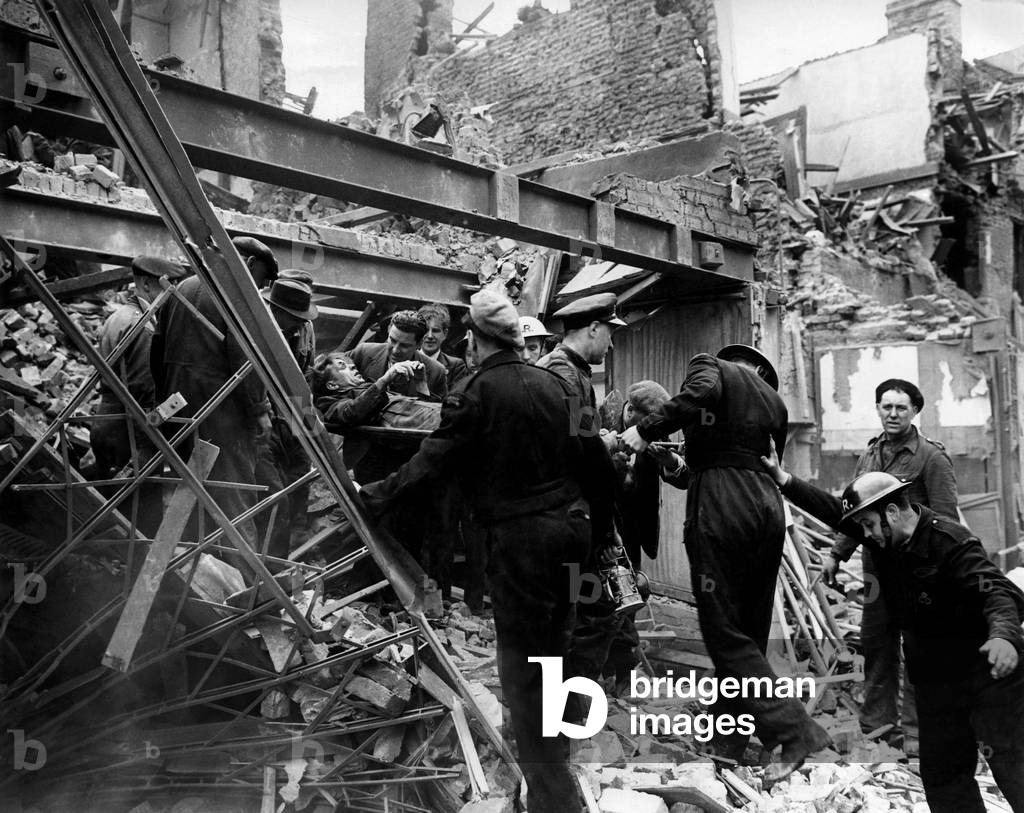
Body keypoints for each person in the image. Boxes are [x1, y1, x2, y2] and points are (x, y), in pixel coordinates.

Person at [360, 291, 616, 813]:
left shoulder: (475, 392)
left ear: (475, 341)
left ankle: (553, 797)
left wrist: (375, 496)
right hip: (571, 535)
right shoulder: (559, 386)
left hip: (521, 541)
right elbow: (599, 470)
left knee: (523, 666)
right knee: (555, 648)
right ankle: (556, 758)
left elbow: (434, 460)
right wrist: (598, 543)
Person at [760, 455, 1024, 813]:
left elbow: (997, 591)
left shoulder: (950, 541)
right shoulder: (883, 536)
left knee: (1013, 767)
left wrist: (1004, 637)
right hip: (936, 680)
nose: (864, 535)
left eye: (869, 525)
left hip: (988, 673)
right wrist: (785, 479)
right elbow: (832, 509)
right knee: (943, 776)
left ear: (894, 512)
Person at [621, 344, 830, 781]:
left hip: (722, 505)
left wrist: (645, 428)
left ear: (736, 363)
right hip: (765, 508)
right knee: (748, 629)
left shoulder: (710, 367)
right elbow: (728, 459)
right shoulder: (774, 402)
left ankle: (795, 729)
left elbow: (699, 397)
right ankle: (730, 738)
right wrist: (677, 463)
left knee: (721, 628)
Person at [819, 378, 957, 752]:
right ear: (878, 408)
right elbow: (854, 515)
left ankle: (916, 735)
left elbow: (945, 520)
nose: (892, 414)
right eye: (886, 406)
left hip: (918, 572)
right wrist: (836, 554)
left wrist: (942, 571)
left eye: (901, 407)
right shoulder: (869, 457)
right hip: (877, 570)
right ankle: (878, 727)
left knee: (918, 650)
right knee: (876, 644)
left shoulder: (931, 457)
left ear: (915, 412)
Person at [151, 255, 273, 573]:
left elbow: (156, 349)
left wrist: (165, 399)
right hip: (223, 415)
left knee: (186, 496)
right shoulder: (235, 295)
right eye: (261, 279)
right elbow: (246, 361)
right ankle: (246, 589)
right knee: (234, 499)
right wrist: (258, 410)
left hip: (179, 410)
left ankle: (191, 579)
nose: (258, 288)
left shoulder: (181, 288)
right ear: (247, 261)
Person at [538, 293, 627, 687]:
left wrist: (598, 440)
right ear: (593, 328)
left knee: (565, 612)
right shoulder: (566, 375)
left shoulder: (560, 369)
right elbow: (584, 455)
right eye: (609, 334)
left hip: (555, 514)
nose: (610, 345)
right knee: (597, 607)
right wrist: (608, 446)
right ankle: (571, 705)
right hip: (568, 517)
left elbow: (575, 437)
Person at [600, 380, 688, 689]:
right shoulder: (601, 425)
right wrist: (612, 463)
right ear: (630, 411)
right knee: (600, 601)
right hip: (602, 529)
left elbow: (682, 479)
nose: (654, 428)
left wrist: (669, 461)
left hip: (634, 532)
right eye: (648, 422)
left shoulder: (656, 433)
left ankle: (622, 676)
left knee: (630, 597)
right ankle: (602, 672)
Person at [90, 256, 187, 535]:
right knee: (141, 516)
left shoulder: (116, 317)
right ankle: (136, 573)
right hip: (130, 428)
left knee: (114, 507)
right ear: (145, 283)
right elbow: (145, 387)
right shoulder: (144, 325)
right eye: (168, 287)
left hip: (106, 420)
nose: (174, 295)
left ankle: (110, 567)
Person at [254, 278, 319, 557]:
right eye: (295, 319)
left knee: (297, 493)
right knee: (274, 500)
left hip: (292, 424)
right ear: (278, 311)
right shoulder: (256, 331)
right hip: (263, 426)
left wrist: (307, 427)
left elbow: (305, 378)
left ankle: (290, 565)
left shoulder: (302, 332)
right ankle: (270, 573)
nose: (300, 324)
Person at [347, 310, 448, 403]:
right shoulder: (364, 351)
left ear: (419, 344)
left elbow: (438, 414)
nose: (395, 350)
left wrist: (421, 387)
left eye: (404, 345)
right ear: (388, 331)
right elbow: (334, 359)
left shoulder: (436, 372)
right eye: (392, 340)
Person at [417, 302, 469, 389]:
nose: (430, 336)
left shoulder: (456, 366)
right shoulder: (407, 359)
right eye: (425, 330)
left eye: (435, 330)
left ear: (445, 333)